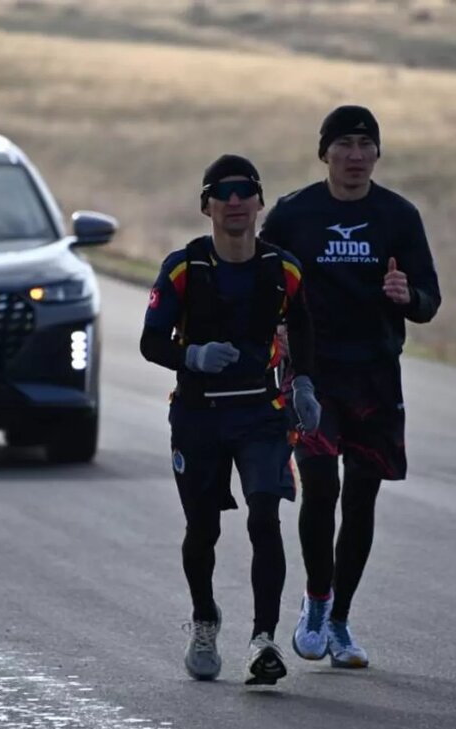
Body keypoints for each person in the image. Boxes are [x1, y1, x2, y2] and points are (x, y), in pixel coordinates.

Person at [259, 105, 442, 668]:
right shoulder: (293, 214)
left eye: (366, 144)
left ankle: (339, 622)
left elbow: (430, 300)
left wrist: (404, 296)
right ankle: (316, 603)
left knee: (362, 496)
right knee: (320, 487)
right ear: (325, 153)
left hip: (375, 376)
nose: (356, 156)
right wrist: (278, 330)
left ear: (377, 153)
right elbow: (262, 286)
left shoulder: (399, 216)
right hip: (313, 375)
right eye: (344, 144)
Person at [140, 154, 321, 686]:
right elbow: (151, 341)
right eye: (224, 192)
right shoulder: (184, 268)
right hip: (198, 416)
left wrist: (305, 384)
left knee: (265, 517)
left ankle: (263, 640)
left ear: (261, 203)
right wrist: (191, 356)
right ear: (207, 206)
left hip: (260, 412)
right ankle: (204, 619)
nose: (236, 201)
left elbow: (303, 327)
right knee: (204, 528)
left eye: (246, 191)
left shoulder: (281, 268)